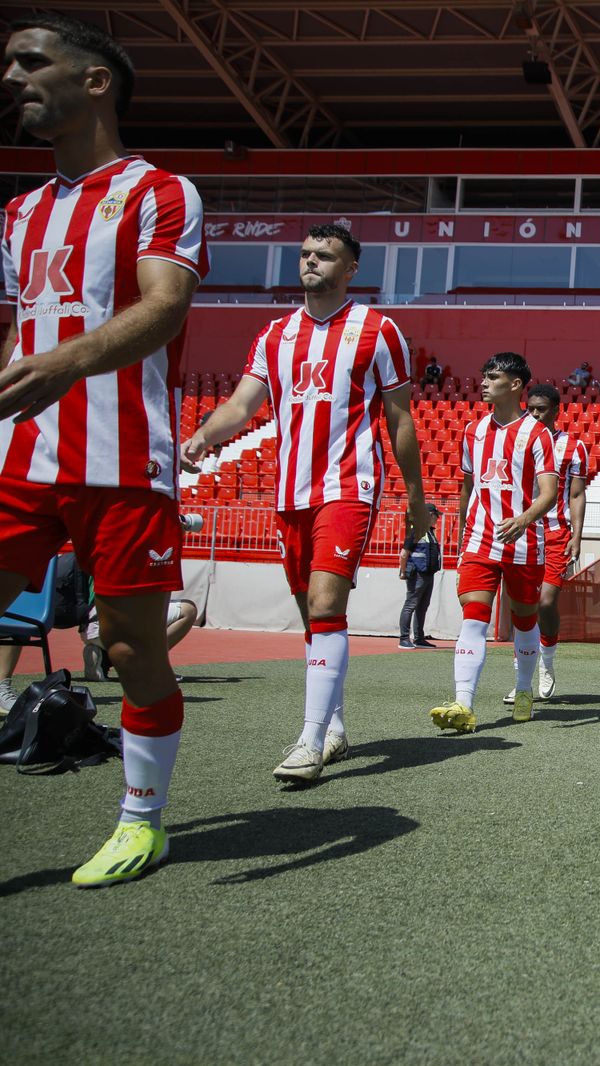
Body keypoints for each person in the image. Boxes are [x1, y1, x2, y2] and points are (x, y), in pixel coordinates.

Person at [0, 14, 206, 887]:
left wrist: (67, 361)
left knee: (128, 649)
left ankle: (141, 822)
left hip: (123, 459)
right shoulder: (18, 213)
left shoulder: (161, 192)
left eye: (30, 61)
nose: (12, 76)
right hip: (21, 457)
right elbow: (17, 332)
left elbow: (164, 306)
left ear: (95, 82)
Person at [183, 222, 430, 783]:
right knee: (312, 616)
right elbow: (241, 406)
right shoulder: (274, 335)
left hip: (349, 486)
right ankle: (335, 727)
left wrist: (416, 498)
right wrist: (204, 435)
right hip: (290, 493)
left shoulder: (379, 330)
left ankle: (310, 741)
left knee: (323, 604)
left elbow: (400, 419)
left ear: (351, 269)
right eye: (305, 253)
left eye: (325, 255)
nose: (311, 262)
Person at [429, 353, 557, 731]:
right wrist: (462, 533)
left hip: (523, 540)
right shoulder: (473, 431)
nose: (484, 383)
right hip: (480, 539)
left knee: (524, 620)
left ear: (515, 385)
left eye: (493, 377)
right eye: (484, 376)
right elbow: (468, 487)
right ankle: (463, 703)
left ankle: (524, 688)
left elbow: (549, 492)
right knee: (473, 616)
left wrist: (523, 519)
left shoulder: (537, 434)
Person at [512, 382, 589, 703]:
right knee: (522, 604)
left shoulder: (573, 447)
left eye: (541, 409)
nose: (534, 414)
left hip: (556, 534)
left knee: (545, 602)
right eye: (529, 409)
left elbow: (576, 494)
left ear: (556, 410)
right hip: (522, 532)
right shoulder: (516, 441)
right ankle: (522, 678)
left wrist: (577, 536)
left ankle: (547, 661)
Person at [398, 504, 443, 649]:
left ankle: (419, 638)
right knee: (410, 605)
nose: (437, 519)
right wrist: (403, 572)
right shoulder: (415, 531)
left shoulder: (429, 532)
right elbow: (404, 554)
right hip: (417, 574)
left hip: (428, 574)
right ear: (430, 515)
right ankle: (404, 639)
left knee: (422, 606)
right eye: (436, 516)